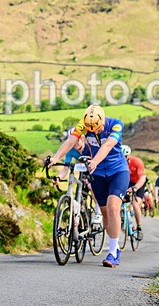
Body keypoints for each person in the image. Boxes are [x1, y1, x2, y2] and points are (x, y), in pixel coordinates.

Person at [48, 104, 130, 268]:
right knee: (106, 213)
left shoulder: (116, 124)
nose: (94, 131)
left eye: (97, 128)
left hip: (117, 171)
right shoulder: (83, 125)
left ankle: (113, 252)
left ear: (102, 120)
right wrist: (55, 158)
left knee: (113, 208)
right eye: (90, 128)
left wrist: (94, 162)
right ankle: (114, 247)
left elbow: (107, 146)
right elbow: (71, 141)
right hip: (98, 175)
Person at [51, 133, 103, 226]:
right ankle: (77, 218)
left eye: (77, 141)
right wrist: (58, 178)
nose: (75, 144)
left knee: (92, 187)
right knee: (79, 197)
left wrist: (90, 176)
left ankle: (98, 210)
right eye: (73, 142)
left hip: (95, 170)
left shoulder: (90, 147)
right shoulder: (70, 151)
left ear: (82, 139)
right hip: (82, 171)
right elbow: (65, 170)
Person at [122, 145, 146, 241]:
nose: (124, 158)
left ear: (129, 155)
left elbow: (142, 178)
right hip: (126, 182)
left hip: (138, 183)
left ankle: (139, 227)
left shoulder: (137, 162)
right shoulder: (119, 162)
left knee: (136, 204)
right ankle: (125, 221)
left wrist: (135, 187)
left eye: (126, 156)